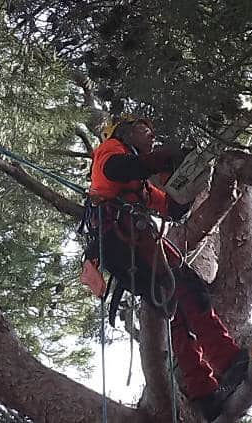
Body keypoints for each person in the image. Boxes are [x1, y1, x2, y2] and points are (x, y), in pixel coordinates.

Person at [86, 115, 248, 420]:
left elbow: (173, 208)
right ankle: (229, 362)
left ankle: (204, 393)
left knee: (173, 307)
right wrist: (161, 158)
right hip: (124, 240)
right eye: (142, 129)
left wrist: (188, 175)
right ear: (124, 132)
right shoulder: (110, 149)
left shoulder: (142, 187)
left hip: (133, 245)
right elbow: (117, 169)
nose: (150, 134)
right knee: (188, 289)